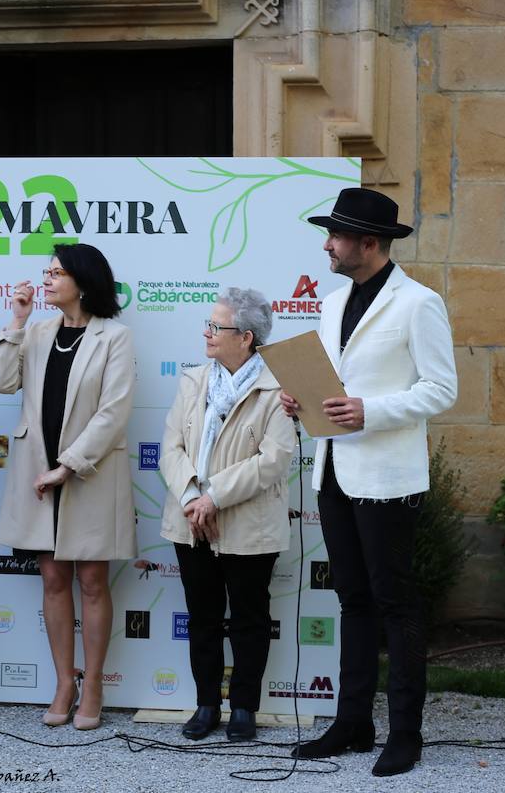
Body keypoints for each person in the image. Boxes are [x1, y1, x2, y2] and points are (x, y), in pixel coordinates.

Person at [283, 188, 457, 776]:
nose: (326, 245)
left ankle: (406, 733)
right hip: (332, 470)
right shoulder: (332, 304)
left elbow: (441, 389)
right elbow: (333, 383)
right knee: (353, 601)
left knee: (396, 604)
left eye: (334, 235)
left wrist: (370, 411)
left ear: (368, 243)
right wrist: (299, 399)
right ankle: (353, 722)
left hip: (387, 476)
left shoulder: (419, 303)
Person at [0, 243, 134, 731]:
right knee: (53, 579)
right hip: (37, 471)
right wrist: (16, 322)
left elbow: (113, 414)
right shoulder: (38, 331)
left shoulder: (115, 337)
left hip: (88, 473)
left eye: (56, 273)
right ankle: (63, 682)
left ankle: (92, 683)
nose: (46, 280)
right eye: (45, 272)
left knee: (92, 581)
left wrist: (68, 466)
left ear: (84, 281)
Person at [158, 286, 294, 742]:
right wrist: (196, 496)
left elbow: (273, 460)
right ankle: (205, 705)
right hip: (191, 521)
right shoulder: (192, 380)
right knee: (203, 617)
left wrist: (214, 496)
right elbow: (170, 449)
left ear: (247, 338)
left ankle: (244, 709)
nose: (208, 332)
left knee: (250, 619)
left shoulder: (278, 389)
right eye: (208, 324)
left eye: (217, 327)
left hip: (248, 526)